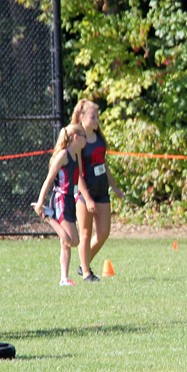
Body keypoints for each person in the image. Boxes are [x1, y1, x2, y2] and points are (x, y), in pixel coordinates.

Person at [71, 99, 124, 282]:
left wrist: (115, 187)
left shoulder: (99, 138)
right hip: (85, 193)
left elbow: (103, 165)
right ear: (82, 117)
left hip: (102, 191)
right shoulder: (78, 139)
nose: (97, 120)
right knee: (85, 233)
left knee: (103, 233)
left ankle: (83, 264)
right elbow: (77, 172)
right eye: (93, 117)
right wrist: (87, 198)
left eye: (97, 116)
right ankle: (86, 273)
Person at [32, 124, 87, 286]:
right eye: (83, 136)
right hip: (60, 199)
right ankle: (47, 216)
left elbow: (76, 178)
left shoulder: (76, 154)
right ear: (76, 138)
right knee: (72, 240)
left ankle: (64, 278)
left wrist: (80, 195)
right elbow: (49, 179)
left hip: (70, 199)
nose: (86, 140)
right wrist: (41, 202)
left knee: (65, 243)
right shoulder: (63, 155)